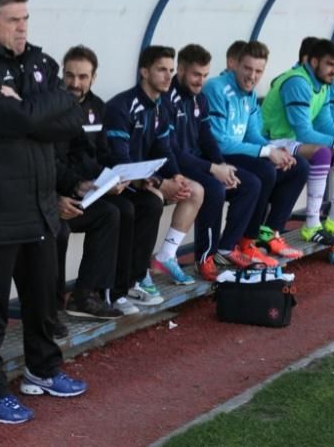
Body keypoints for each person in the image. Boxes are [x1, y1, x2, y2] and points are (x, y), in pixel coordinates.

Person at [0, 0, 87, 425]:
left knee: (43, 298)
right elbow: (23, 120)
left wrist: (32, 109)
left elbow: (68, 120)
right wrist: (33, 112)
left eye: (26, 19)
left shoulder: (40, 63)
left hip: (39, 206)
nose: (22, 27)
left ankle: (42, 370)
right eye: (13, 20)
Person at [55, 45, 163, 318]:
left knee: (146, 202)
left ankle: (121, 287)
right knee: (115, 212)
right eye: (70, 75)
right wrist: (79, 183)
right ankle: (86, 295)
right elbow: (54, 161)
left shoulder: (97, 107)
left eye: (82, 77)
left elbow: (103, 154)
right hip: (57, 194)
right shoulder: (52, 107)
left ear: (93, 78)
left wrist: (117, 178)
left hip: (89, 188)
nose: (75, 83)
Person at [105, 46, 205, 287]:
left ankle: (166, 256)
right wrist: (161, 183)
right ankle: (139, 271)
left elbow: (165, 149)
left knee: (195, 190)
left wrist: (176, 176)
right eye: (161, 69)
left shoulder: (162, 105)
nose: (168, 76)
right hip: (120, 179)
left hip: (146, 175)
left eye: (171, 70)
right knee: (154, 198)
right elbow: (121, 160)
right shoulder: (122, 106)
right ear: (144, 71)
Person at [203, 40, 309, 265]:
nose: (252, 76)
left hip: (237, 154)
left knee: (298, 165)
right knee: (264, 171)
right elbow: (221, 143)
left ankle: (269, 233)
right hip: (216, 158)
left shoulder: (249, 95)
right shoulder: (216, 88)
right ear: (235, 65)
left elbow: (252, 135)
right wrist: (267, 151)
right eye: (247, 69)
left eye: (258, 71)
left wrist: (276, 150)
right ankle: (239, 243)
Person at [261, 38, 334, 245]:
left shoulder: (323, 84)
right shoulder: (298, 82)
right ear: (314, 62)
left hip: (290, 140)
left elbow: (324, 124)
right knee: (322, 152)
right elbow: (304, 132)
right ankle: (312, 224)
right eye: (330, 65)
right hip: (272, 141)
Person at [165, 44, 260, 281]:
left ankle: (226, 248)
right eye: (196, 74)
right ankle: (205, 256)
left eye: (205, 75)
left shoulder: (200, 98)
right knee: (214, 188)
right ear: (181, 70)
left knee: (250, 183)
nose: (201, 81)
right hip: (174, 165)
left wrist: (221, 165)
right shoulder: (168, 99)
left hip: (195, 161)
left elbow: (206, 136)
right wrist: (213, 168)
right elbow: (174, 151)